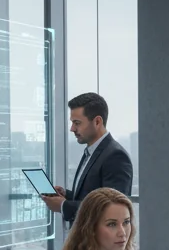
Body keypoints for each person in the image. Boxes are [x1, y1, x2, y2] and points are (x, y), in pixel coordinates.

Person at [41, 92, 133, 225]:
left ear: (97, 122)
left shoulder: (115, 156)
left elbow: (112, 209)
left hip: (98, 243)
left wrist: (64, 206)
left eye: (77, 123)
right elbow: (92, 197)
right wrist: (67, 194)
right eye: (72, 123)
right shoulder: (91, 152)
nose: (72, 129)